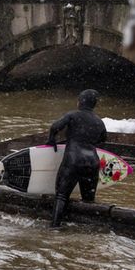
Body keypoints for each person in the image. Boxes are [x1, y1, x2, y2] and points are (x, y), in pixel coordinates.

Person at [45, 89, 107, 228]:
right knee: (88, 200)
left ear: (80, 102)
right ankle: (87, 229)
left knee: (61, 196)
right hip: (92, 162)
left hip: (73, 160)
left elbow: (55, 127)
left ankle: (54, 228)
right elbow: (102, 141)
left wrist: (51, 140)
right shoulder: (99, 122)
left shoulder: (73, 115)